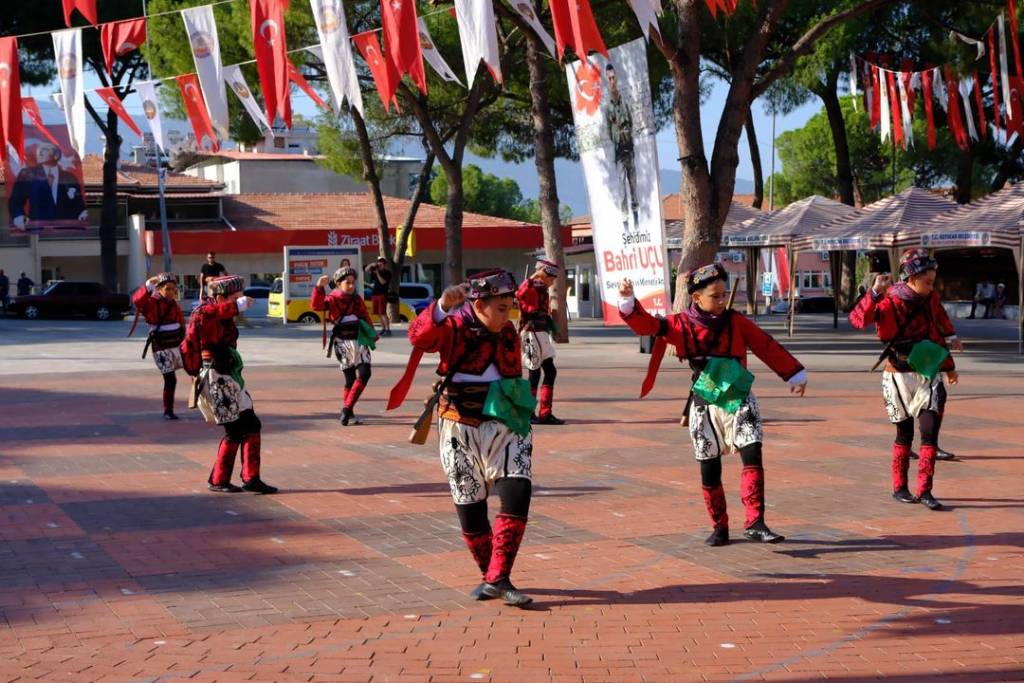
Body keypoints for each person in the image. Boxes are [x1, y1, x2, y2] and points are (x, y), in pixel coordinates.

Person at [618, 264, 807, 546]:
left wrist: (794, 373)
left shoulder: (737, 322)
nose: (721, 300)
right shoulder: (680, 324)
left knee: (752, 450)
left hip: (738, 396)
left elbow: (764, 344)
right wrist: (628, 302)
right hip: (704, 401)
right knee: (709, 467)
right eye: (715, 296)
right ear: (696, 298)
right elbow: (647, 325)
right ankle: (720, 527)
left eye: (723, 294)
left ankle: (755, 521)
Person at [393, 270, 537, 607]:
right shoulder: (453, 326)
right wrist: (442, 305)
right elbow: (418, 338)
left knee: (518, 490)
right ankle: (493, 577)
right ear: (480, 304)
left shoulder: (508, 331)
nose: (508, 315)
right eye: (501, 308)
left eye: (510, 307)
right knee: (470, 505)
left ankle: (499, 577)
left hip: (506, 424)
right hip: (459, 424)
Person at [849, 249, 963, 511]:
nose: (932, 287)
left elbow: (938, 329)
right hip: (897, 375)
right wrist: (875, 292)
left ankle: (925, 490)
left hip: (926, 372)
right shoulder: (889, 301)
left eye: (933, 281)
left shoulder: (931, 299)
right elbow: (858, 320)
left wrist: (949, 364)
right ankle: (900, 487)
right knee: (905, 432)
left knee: (929, 430)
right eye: (928, 281)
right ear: (912, 278)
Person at [185, 275, 277, 494]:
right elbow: (211, 315)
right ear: (220, 297)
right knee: (234, 429)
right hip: (216, 377)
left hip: (231, 376)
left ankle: (250, 478)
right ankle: (219, 480)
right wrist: (236, 306)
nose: (240, 301)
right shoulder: (205, 311)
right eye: (235, 297)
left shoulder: (222, 314)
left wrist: (235, 306)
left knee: (251, 425)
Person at [311, 267, 376, 426]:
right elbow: (316, 306)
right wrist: (319, 287)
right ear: (339, 284)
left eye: (353, 283)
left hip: (360, 340)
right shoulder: (332, 299)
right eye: (348, 283)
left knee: (365, 373)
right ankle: (350, 412)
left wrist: (372, 332)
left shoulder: (357, 299)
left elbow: (365, 316)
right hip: (342, 342)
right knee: (350, 379)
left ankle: (346, 409)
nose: (352, 286)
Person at [131, 273, 186, 419]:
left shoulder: (174, 304)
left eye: (173, 289)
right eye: (167, 289)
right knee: (170, 378)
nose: (170, 292)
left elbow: (182, 323)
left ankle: (204, 403)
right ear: (159, 289)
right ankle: (168, 410)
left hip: (177, 344)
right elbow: (137, 301)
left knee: (196, 370)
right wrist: (148, 284)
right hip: (161, 346)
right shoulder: (152, 302)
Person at [517, 259, 564, 425]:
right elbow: (520, 294)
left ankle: (545, 413)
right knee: (534, 373)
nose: (552, 281)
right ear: (543, 272)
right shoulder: (532, 285)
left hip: (542, 333)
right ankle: (530, 412)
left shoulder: (540, 286)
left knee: (549, 371)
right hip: (531, 333)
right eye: (550, 277)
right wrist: (533, 277)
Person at [8, 142, 87, 228]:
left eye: (44, 150)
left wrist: (82, 213)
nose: (39, 152)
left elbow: (79, 202)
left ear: (56, 156)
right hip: (37, 230)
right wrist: (18, 217)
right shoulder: (28, 174)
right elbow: (16, 201)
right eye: (38, 150)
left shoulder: (69, 177)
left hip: (65, 230)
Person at [605, 62, 639, 229]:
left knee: (633, 186)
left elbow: (631, 122)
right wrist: (617, 136)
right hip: (618, 153)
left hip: (629, 150)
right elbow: (607, 130)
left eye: (614, 78)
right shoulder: (607, 107)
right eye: (609, 78)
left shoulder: (625, 102)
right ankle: (625, 221)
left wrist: (625, 132)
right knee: (622, 190)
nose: (612, 81)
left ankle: (637, 219)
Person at [366, 257, 392, 336]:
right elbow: (366, 270)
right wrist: (372, 264)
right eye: (379, 264)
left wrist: (377, 273)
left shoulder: (387, 273)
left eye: (381, 264)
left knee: (383, 313)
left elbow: (383, 282)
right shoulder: (375, 271)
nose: (380, 265)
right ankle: (383, 328)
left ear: (384, 265)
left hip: (382, 294)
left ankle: (388, 329)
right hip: (375, 294)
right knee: (378, 313)